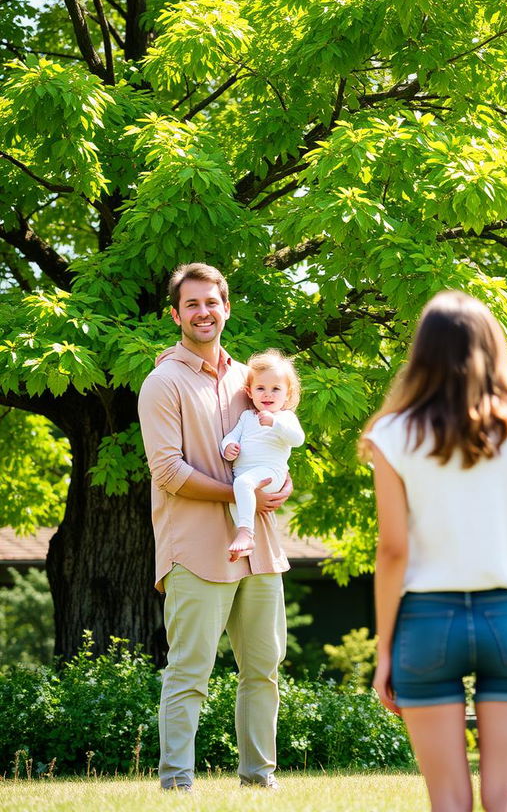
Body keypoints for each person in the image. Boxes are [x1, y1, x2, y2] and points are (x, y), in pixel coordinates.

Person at [361, 290, 507, 812]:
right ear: (494, 347)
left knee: (448, 800)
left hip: (426, 624)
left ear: (422, 352)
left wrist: (385, 649)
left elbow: (392, 552)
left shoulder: (393, 434)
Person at [138, 262, 291, 792]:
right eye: (192, 304)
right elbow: (168, 471)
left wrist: (280, 485)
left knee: (264, 670)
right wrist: (238, 493)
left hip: (261, 550)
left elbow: (272, 445)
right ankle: (177, 782)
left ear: (226, 307)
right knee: (189, 673)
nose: (203, 312)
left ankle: (259, 779)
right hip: (198, 549)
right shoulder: (163, 382)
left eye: (212, 302)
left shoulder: (249, 379)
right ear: (176, 314)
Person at [221, 349, 304, 562]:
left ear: (287, 393)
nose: (268, 394)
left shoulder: (285, 417)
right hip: (244, 474)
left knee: (242, 485)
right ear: (249, 392)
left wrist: (275, 424)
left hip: (270, 473)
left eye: (276, 389)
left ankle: (245, 533)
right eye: (261, 388)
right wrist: (228, 446)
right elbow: (231, 436)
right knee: (236, 501)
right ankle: (246, 544)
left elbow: (298, 439)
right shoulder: (247, 416)